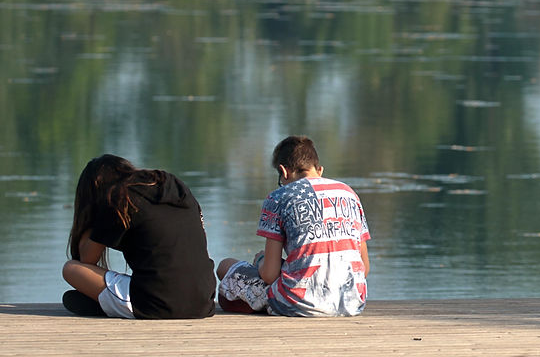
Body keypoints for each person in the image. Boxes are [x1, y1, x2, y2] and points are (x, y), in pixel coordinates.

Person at [217, 135, 371, 317]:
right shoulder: (349, 193)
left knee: (225, 267)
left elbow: (269, 275)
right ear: (319, 170)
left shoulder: (278, 197)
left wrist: (260, 261)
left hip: (299, 302)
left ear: (284, 171)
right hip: (351, 301)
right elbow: (364, 267)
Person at [61, 154, 217, 319]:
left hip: (155, 304)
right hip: (203, 302)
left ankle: (109, 305)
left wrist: (91, 212)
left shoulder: (119, 197)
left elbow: (87, 259)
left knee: (71, 269)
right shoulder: (176, 188)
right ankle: (110, 304)